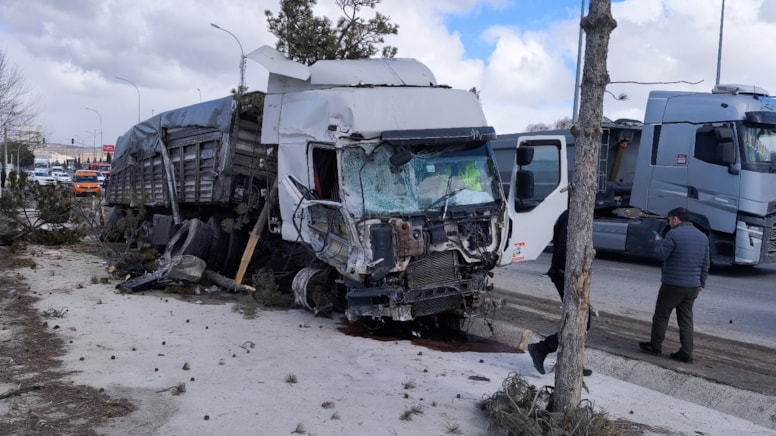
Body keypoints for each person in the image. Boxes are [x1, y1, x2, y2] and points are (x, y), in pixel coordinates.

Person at [639, 207, 710, 363]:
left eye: (669, 220)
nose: (669, 223)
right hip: (693, 286)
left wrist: (658, 242)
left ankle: (655, 346)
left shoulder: (673, 234)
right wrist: (701, 283)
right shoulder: (702, 237)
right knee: (686, 319)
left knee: (661, 316)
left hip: (672, 284)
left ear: (676, 219)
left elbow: (661, 254)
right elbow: (706, 263)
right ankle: (686, 352)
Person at [527, 209, 593, 376]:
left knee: (581, 319)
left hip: (569, 275)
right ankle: (542, 349)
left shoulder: (574, 214)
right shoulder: (573, 216)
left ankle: (571, 361)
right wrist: (568, 272)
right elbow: (563, 245)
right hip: (565, 274)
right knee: (581, 320)